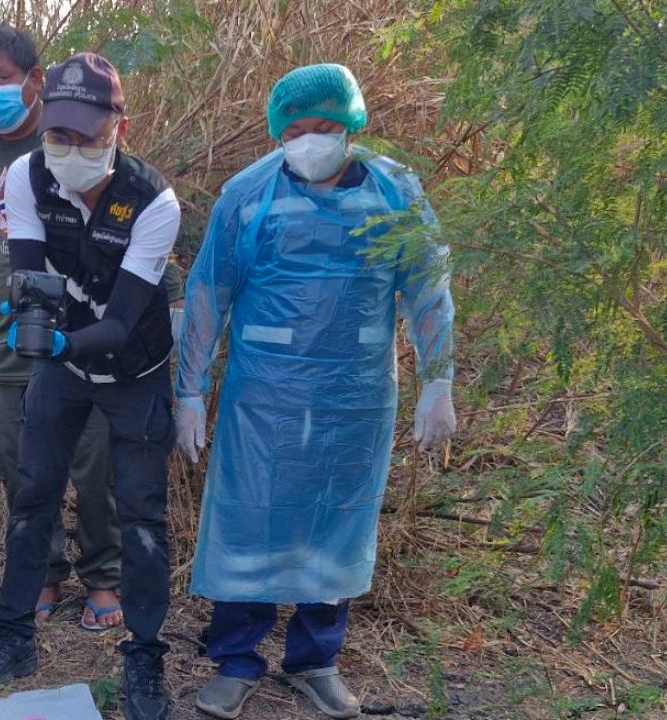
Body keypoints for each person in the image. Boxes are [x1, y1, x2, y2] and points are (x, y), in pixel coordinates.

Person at [174, 64, 457, 720]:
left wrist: (437, 380)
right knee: (250, 518)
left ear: (351, 125)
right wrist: (190, 389)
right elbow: (210, 292)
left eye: (325, 128)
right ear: (278, 133)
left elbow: (427, 287)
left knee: (338, 517)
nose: (311, 141)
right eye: (295, 130)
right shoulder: (248, 195)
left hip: (354, 395)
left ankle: (314, 660)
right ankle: (237, 659)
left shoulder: (394, 192)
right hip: (263, 396)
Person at [0, 24, 183, 632]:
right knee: (22, 465)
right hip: (8, 340)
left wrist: (164, 310)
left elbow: (127, 260)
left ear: (36, 81)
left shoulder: (114, 171)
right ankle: (42, 571)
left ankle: (104, 576)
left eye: (4, 79)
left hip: (95, 344)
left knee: (96, 465)